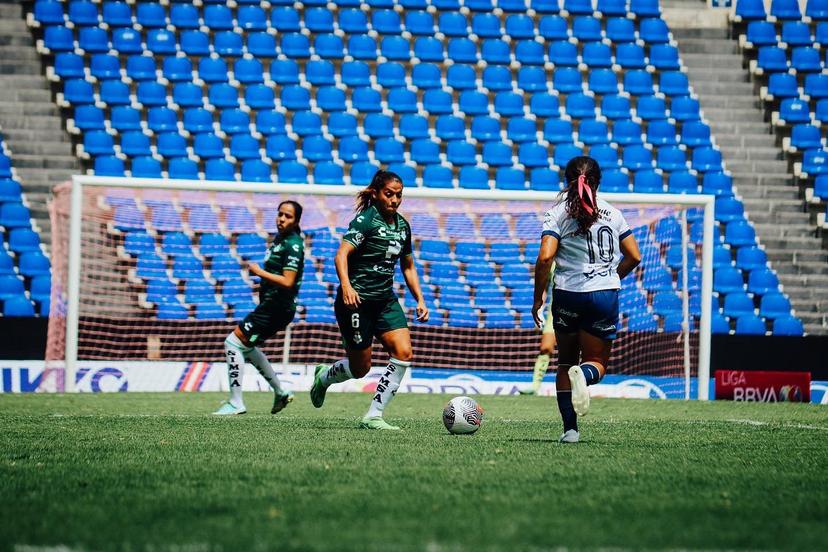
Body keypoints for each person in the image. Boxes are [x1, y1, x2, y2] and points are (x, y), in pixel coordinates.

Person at [532, 157, 641, 443]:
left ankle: (570, 430)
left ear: (566, 181)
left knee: (565, 363)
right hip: (603, 295)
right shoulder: (613, 213)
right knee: (595, 362)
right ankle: (587, 376)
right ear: (598, 182)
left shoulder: (557, 213)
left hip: (568, 294)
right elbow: (635, 255)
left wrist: (537, 299)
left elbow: (545, 257)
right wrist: (611, 277)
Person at [310, 170, 429, 430]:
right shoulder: (365, 220)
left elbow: (408, 266)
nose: (395, 200)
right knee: (361, 368)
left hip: (385, 300)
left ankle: (374, 415)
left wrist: (419, 298)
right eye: (389, 194)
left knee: (404, 352)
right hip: (356, 302)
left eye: (399, 195)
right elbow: (341, 255)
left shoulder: (402, 226)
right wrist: (347, 287)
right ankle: (323, 377)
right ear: (375, 194)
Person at [214, 200, 305, 416]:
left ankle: (236, 402)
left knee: (232, 342)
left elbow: (288, 281)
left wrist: (259, 273)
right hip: (271, 305)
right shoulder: (280, 240)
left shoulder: (293, 244)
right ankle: (280, 391)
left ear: (297, 221)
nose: (282, 219)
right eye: (280, 214)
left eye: (288, 216)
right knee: (246, 346)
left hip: (277, 307)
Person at [520, 262, 557, 396]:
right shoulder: (552, 261)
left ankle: (579, 387)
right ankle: (535, 385)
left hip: (578, 309)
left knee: (576, 350)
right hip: (556, 310)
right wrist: (540, 308)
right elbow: (545, 286)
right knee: (546, 348)